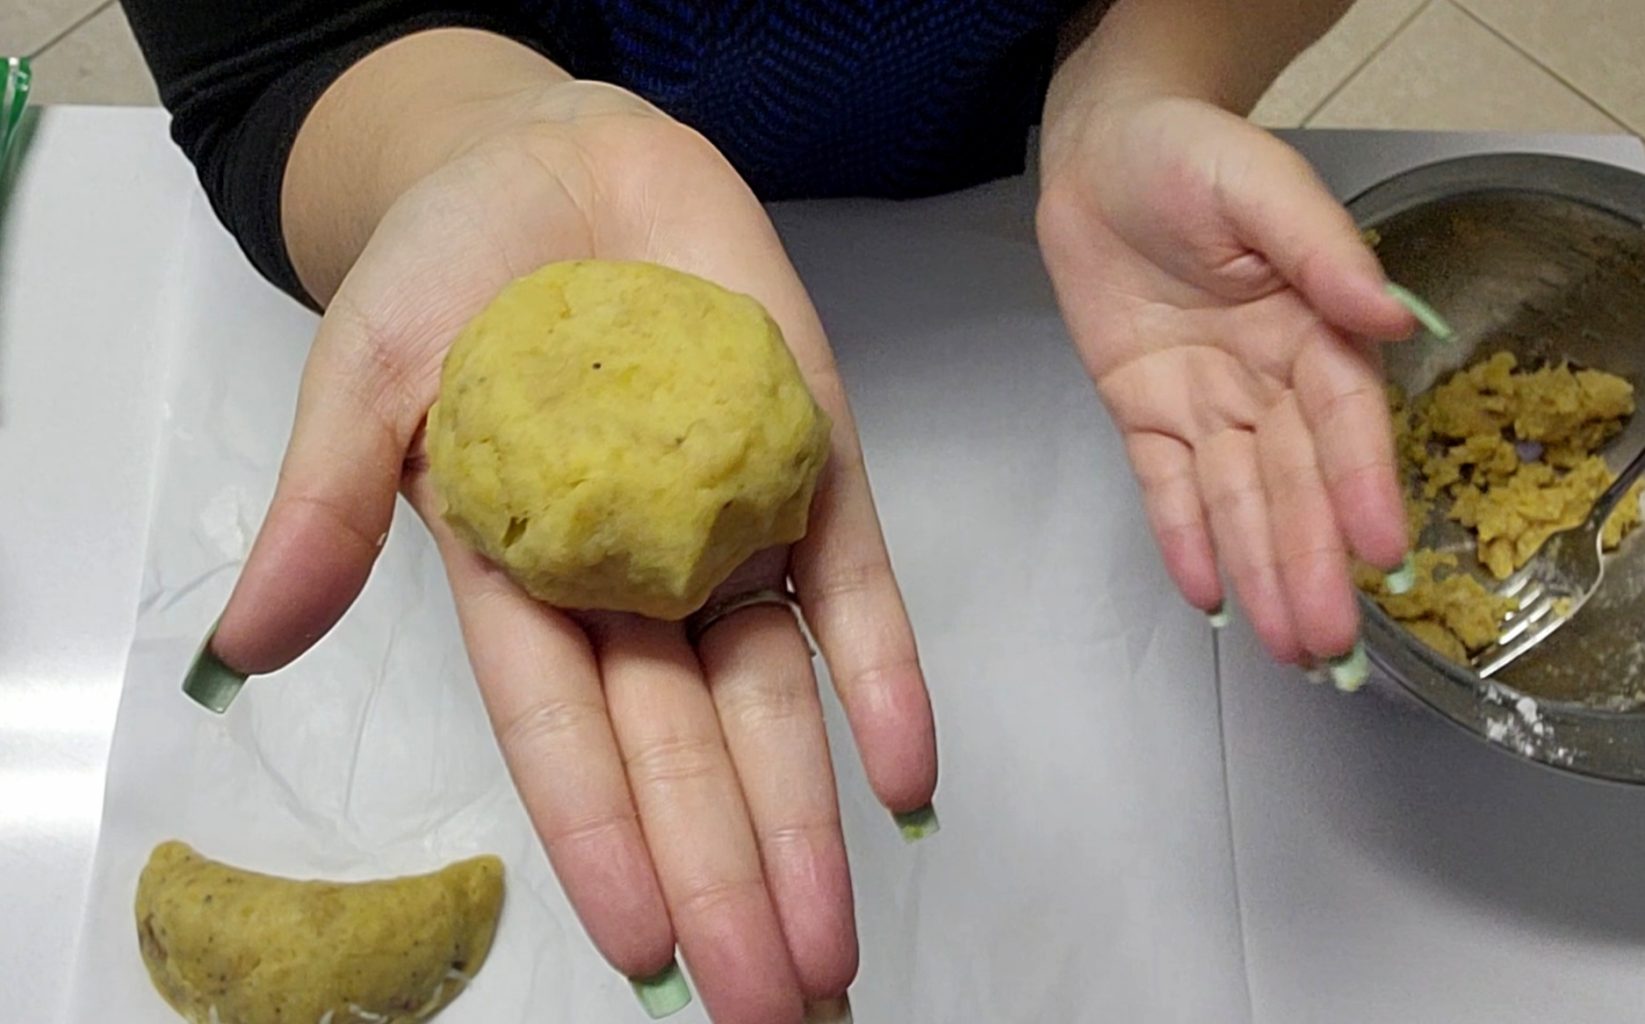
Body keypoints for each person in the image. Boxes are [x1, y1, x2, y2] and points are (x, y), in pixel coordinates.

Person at [121, 1, 1416, 1021]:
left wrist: (1146, 69)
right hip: (492, 112)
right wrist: (465, 143)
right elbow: (270, 44)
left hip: (981, 195)